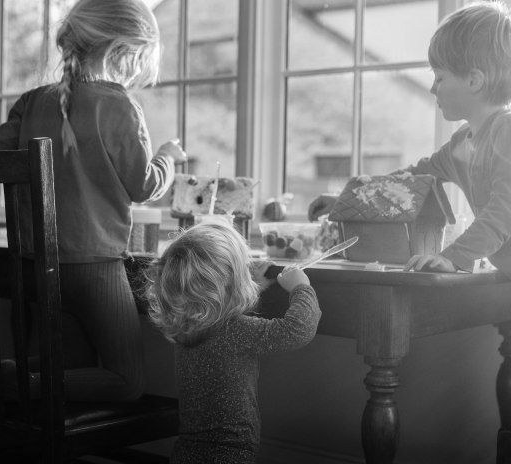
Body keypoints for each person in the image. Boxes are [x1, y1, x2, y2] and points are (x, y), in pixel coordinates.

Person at [0, 0, 186, 403]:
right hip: (96, 268)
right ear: (122, 51)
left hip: (37, 265)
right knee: (127, 382)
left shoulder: (30, 102)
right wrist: (168, 156)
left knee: (71, 369)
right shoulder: (118, 104)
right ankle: (0, 384)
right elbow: (144, 186)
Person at [308, 1, 511, 278]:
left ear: (474, 81)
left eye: (440, 78)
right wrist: (346, 201)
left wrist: (454, 256)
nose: (432, 88)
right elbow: (408, 181)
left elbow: (504, 210)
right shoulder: (461, 145)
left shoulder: (506, 131)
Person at [145, 219, 321, 463]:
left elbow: (222, 312)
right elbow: (297, 330)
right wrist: (301, 288)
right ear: (232, 280)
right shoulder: (236, 330)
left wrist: (255, 285)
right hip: (230, 450)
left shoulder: (186, 325)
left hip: (187, 449)